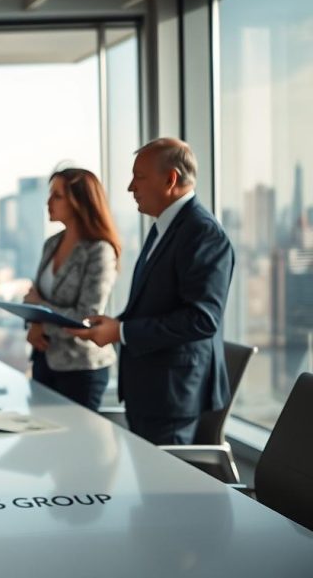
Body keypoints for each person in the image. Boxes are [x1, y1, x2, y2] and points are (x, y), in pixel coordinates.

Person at [67, 138, 234, 445]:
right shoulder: (163, 227)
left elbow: (202, 319)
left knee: (162, 491)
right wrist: (114, 325)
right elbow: (155, 305)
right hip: (151, 391)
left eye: (139, 177)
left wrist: (123, 332)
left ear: (170, 179)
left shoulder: (202, 232)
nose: (131, 187)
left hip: (172, 396)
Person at [23, 168, 120, 411]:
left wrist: (41, 315)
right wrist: (34, 324)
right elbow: (35, 298)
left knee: (77, 447)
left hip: (81, 369)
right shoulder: (52, 244)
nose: (48, 202)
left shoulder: (99, 251)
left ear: (79, 202)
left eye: (57, 196)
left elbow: (86, 318)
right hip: (44, 359)